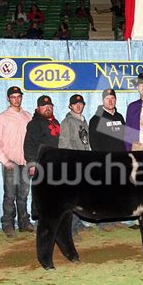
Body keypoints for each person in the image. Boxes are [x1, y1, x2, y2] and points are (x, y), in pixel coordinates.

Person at [0, 86, 34, 238]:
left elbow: (32, 140)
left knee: (23, 195)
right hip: (11, 162)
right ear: (8, 98)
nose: (16, 99)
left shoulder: (28, 116)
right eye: (13, 96)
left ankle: (24, 222)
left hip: (25, 162)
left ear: (21, 98)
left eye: (19, 96)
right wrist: (5, 160)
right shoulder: (2, 117)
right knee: (10, 195)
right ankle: (8, 224)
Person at [89, 89, 126, 231]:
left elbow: (124, 139)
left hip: (120, 162)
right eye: (107, 98)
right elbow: (94, 142)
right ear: (102, 101)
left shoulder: (120, 117)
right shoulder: (96, 119)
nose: (110, 101)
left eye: (112, 98)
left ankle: (115, 218)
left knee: (118, 193)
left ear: (115, 100)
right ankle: (102, 222)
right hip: (105, 163)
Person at [23, 95, 60, 221]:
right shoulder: (34, 124)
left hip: (55, 164)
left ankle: (54, 220)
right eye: (44, 106)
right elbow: (29, 144)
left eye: (50, 106)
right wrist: (32, 163)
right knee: (41, 195)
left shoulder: (55, 123)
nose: (47, 108)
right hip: (41, 164)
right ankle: (40, 223)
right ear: (38, 108)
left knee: (55, 194)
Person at [59, 94, 90, 240]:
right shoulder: (66, 122)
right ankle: (69, 230)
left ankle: (77, 225)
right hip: (73, 163)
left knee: (80, 197)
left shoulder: (84, 121)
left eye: (80, 103)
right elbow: (64, 145)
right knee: (70, 199)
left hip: (84, 163)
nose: (78, 106)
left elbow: (86, 143)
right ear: (70, 106)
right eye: (75, 104)